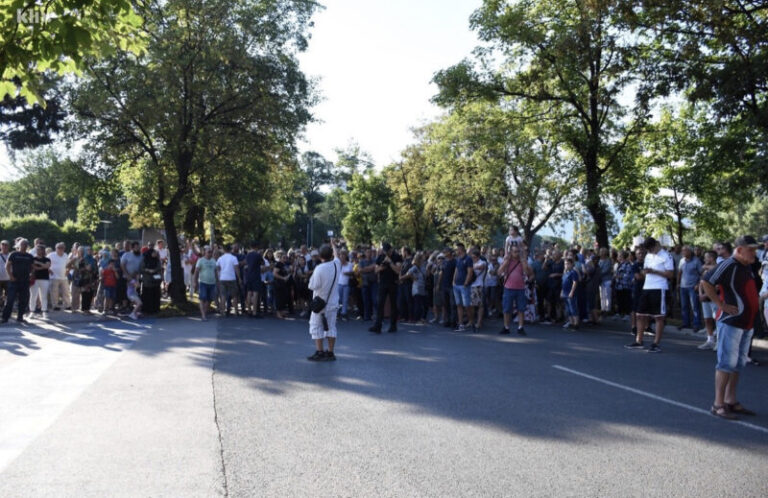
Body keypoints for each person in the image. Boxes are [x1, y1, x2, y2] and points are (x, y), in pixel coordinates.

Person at [700, 236, 761, 420]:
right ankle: (718, 404)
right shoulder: (729, 264)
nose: (754, 253)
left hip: (746, 324)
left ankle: (730, 400)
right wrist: (721, 305)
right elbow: (706, 281)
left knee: (737, 364)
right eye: (751, 250)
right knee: (726, 363)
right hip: (731, 322)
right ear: (740, 250)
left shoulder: (746, 266)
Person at [626, 237, 674, 353]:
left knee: (658, 317)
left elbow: (670, 274)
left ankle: (655, 343)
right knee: (640, 314)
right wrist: (644, 272)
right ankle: (639, 341)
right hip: (647, 287)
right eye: (648, 250)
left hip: (659, 288)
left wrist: (654, 271)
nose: (650, 251)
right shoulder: (648, 256)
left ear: (656, 245)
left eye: (651, 249)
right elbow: (645, 272)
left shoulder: (666, 256)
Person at [307, 240, 342, 361]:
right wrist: (333, 246)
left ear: (320, 256)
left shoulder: (319, 268)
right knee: (331, 327)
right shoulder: (337, 264)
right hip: (333, 303)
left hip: (320, 303)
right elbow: (337, 256)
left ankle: (319, 351)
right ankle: (331, 352)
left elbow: (312, 286)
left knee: (316, 326)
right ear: (331, 255)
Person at [497, 244, 533, 335]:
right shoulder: (507, 261)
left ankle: (520, 327)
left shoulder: (523, 261)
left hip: (520, 288)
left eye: (518, 251)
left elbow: (528, 273)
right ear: (510, 252)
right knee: (506, 309)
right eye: (514, 251)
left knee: (521, 308)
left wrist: (523, 262)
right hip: (508, 288)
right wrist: (506, 262)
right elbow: (499, 272)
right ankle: (506, 327)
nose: (517, 253)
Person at [369, 242, 402, 334]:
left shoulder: (397, 257)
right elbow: (376, 270)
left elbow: (397, 270)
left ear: (391, 250)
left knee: (393, 305)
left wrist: (390, 262)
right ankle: (378, 325)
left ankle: (393, 325)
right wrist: (382, 266)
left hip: (393, 283)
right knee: (380, 304)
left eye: (387, 251)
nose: (386, 253)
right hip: (383, 284)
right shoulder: (380, 257)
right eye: (385, 251)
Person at [1, 239, 34, 324]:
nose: (24, 246)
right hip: (14, 281)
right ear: (19, 245)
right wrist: (10, 276)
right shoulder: (14, 254)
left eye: (26, 245)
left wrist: (31, 275)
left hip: (25, 281)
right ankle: (5, 318)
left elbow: (33, 267)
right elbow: (7, 266)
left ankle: (20, 317)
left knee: (23, 300)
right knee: (10, 300)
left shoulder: (29, 256)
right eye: (23, 244)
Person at [677, 245, 703, 331]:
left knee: (694, 306)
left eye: (685, 250)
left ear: (690, 251)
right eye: (682, 250)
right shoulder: (681, 261)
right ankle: (686, 323)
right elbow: (680, 273)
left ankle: (696, 324)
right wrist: (678, 283)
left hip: (693, 286)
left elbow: (702, 274)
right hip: (683, 286)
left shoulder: (696, 261)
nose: (683, 252)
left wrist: (698, 284)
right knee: (684, 306)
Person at [452, 243, 473, 332]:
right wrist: (453, 281)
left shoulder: (468, 259)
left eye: (457, 249)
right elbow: (456, 270)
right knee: (459, 304)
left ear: (461, 249)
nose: (456, 251)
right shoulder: (458, 259)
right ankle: (461, 323)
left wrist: (466, 282)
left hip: (464, 285)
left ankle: (471, 321)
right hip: (456, 285)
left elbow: (470, 272)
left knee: (466, 305)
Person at [216, 244, 241, 316]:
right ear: (230, 249)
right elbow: (236, 269)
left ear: (224, 250)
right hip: (231, 278)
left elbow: (217, 268)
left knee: (223, 295)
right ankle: (236, 311)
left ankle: (223, 311)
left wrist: (219, 276)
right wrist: (239, 278)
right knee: (234, 296)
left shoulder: (220, 258)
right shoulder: (234, 258)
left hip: (223, 278)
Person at [194, 247, 218, 321]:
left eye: (211, 252)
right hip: (203, 282)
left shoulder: (213, 261)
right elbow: (196, 271)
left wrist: (218, 281)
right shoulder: (201, 260)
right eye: (209, 252)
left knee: (209, 299)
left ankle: (204, 313)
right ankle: (203, 315)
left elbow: (216, 272)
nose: (210, 253)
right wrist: (195, 282)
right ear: (205, 252)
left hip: (212, 283)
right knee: (202, 298)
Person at [29, 245, 51, 319]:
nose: (38, 251)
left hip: (44, 279)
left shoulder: (47, 259)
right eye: (37, 249)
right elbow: (33, 267)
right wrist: (42, 266)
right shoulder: (32, 259)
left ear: (43, 250)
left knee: (43, 296)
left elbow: (47, 266)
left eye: (40, 249)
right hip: (34, 278)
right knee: (33, 295)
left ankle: (44, 311)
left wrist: (38, 263)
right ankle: (32, 311)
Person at [244, 242, 264, 318]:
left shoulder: (248, 255)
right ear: (256, 247)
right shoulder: (257, 255)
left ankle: (249, 310)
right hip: (256, 275)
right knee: (255, 293)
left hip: (249, 275)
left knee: (249, 292)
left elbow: (246, 263)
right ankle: (254, 312)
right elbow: (262, 263)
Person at [48, 242, 70, 310]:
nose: (60, 249)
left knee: (66, 292)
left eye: (62, 248)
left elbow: (68, 264)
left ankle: (67, 305)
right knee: (54, 292)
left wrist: (68, 270)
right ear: (56, 248)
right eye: (59, 248)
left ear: (64, 249)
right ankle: (55, 305)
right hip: (54, 277)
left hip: (64, 277)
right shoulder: (51, 255)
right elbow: (45, 263)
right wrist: (49, 270)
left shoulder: (65, 255)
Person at [562, 257, 580, 330]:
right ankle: (571, 322)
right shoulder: (565, 273)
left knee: (573, 308)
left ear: (572, 264)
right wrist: (562, 292)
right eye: (565, 264)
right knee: (568, 309)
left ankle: (576, 324)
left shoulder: (573, 272)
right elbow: (563, 283)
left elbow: (575, 282)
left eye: (568, 264)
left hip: (570, 293)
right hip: (565, 293)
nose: (566, 265)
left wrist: (572, 292)